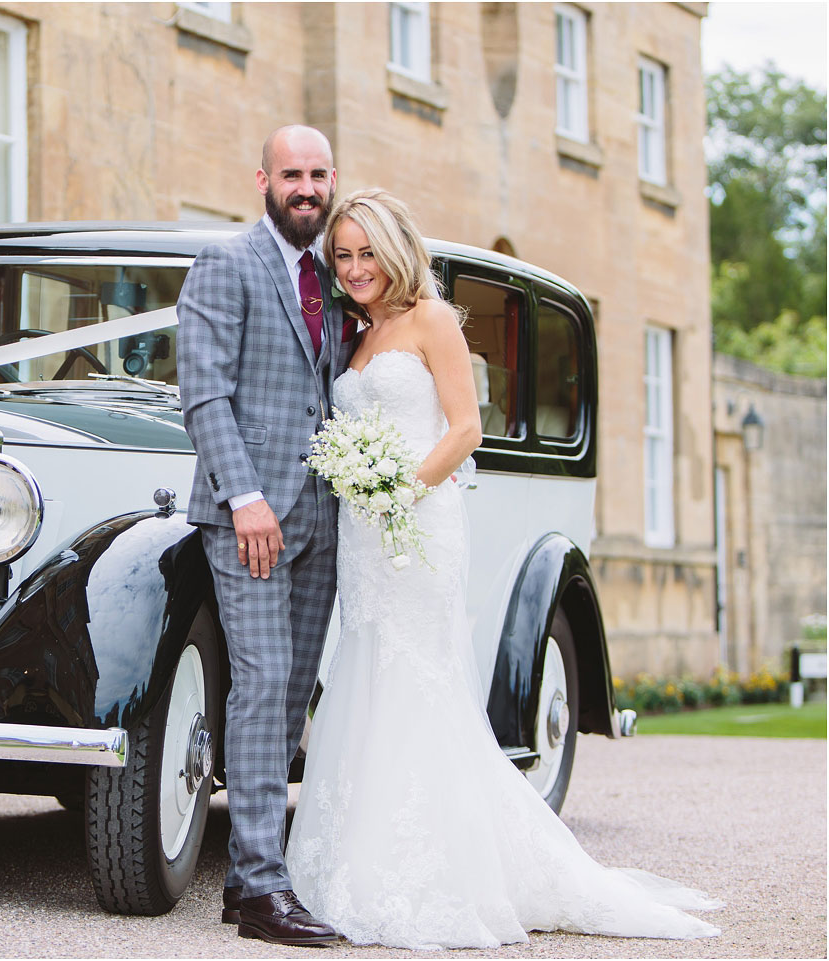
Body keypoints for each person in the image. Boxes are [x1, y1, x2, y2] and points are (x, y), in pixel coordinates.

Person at [282, 188, 723, 949]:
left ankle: (431, 873)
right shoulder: (354, 336)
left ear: (395, 250)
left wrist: (397, 491)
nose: (355, 269)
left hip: (416, 522)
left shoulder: (432, 321)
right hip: (364, 532)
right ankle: (357, 857)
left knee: (417, 677)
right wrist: (362, 490)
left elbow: (466, 429)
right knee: (366, 671)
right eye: (343, 255)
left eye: (366, 253)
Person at [177, 125, 348, 946]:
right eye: (292, 174)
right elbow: (204, 394)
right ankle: (260, 890)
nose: (306, 187)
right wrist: (243, 495)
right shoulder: (227, 263)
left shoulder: (340, 270)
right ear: (263, 179)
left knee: (290, 694)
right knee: (263, 679)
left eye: (318, 174)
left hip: (322, 515)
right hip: (250, 518)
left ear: (332, 178)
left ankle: (252, 871)